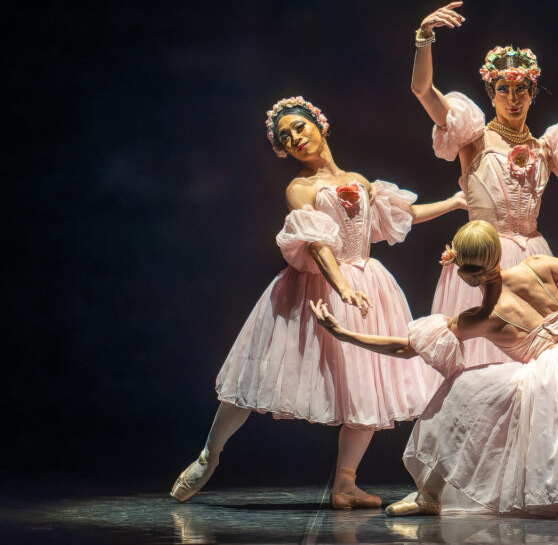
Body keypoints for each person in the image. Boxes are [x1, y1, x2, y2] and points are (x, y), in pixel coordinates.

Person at [170, 96, 463, 509]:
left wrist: (452, 203)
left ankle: (345, 484)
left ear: (319, 126)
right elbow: (317, 243)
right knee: (257, 374)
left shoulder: (359, 180)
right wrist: (342, 287)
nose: (295, 139)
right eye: (286, 137)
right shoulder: (300, 188)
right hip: (312, 289)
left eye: (299, 128)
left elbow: (398, 217)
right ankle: (209, 454)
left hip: (368, 284)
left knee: (369, 388)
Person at [310, 220, 558, 519]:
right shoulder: (537, 267)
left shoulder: (481, 316)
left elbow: (405, 347)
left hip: (555, 375)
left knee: (460, 390)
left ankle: (430, 493)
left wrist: (344, 333)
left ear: (461, 270)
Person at [410, 1, 558, 367]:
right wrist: (424, 39)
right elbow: (423, 90)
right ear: (491, 92)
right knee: (480, 365)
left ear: (533, 91)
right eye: (503, 89)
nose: (513, 98)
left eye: (522, 88)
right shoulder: (472, 138)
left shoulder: (546, 147)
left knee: (539, 366)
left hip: (532, 261)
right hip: (484, 257)